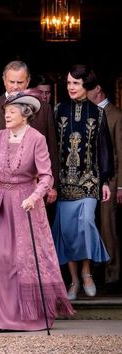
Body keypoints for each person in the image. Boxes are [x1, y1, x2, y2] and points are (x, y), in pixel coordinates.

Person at [0, 90, 75, 333]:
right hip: (3, 202)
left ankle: (30, 317)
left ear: (25, 114)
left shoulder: (37, 138)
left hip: (27, 204)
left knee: (24, 260)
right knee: (1, 257)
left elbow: (47, 175)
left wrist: (34, 197)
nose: (7, 115)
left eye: (12, 112)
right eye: (6, 112)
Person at [52, 64, 114, 301]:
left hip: (89, 182)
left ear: (86, 86)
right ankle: (74, 279)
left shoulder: (98, 113)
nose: (71, 87)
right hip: (63, 183)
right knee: (66, 231)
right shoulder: (58, 110)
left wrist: (106, 181)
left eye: (75, 83)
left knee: (86, 223)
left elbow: (105, 148)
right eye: (68, 83)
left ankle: (87, 272)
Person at [0, 60, 59, 208]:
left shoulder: (44, 109)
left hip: (35, 188)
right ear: (4, 80)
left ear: (28, 81)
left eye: (20, 82)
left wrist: (53, 184)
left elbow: (52, 149)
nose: (15, 86)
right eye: (11, 81)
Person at [87, 73, 122, 291]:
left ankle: (113, 276)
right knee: (90, 226)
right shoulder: (88, 113)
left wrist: (120, 185)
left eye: (86, 89)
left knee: (109, 228)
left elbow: (121, 153)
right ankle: (94, 273)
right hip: (89, 181)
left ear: (97, 89)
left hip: (111, 180)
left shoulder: (116, 115)